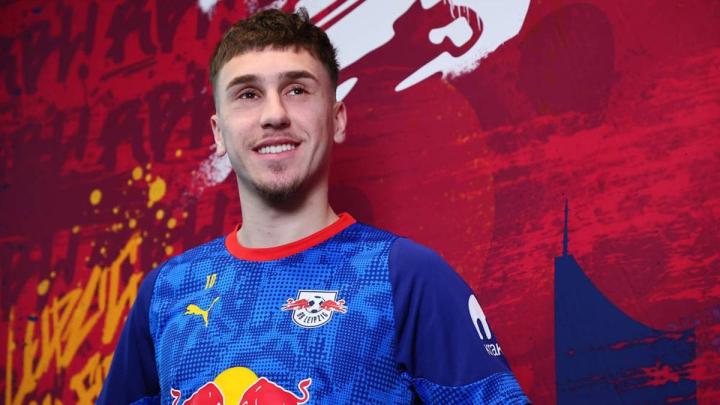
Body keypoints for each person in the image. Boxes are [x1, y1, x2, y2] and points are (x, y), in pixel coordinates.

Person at [98, 8, 529, 404]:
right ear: (218, 132)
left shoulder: (405, 276)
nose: (274, 114)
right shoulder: (167, 291)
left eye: (297, 89)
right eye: (247, 94)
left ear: (336, 119)